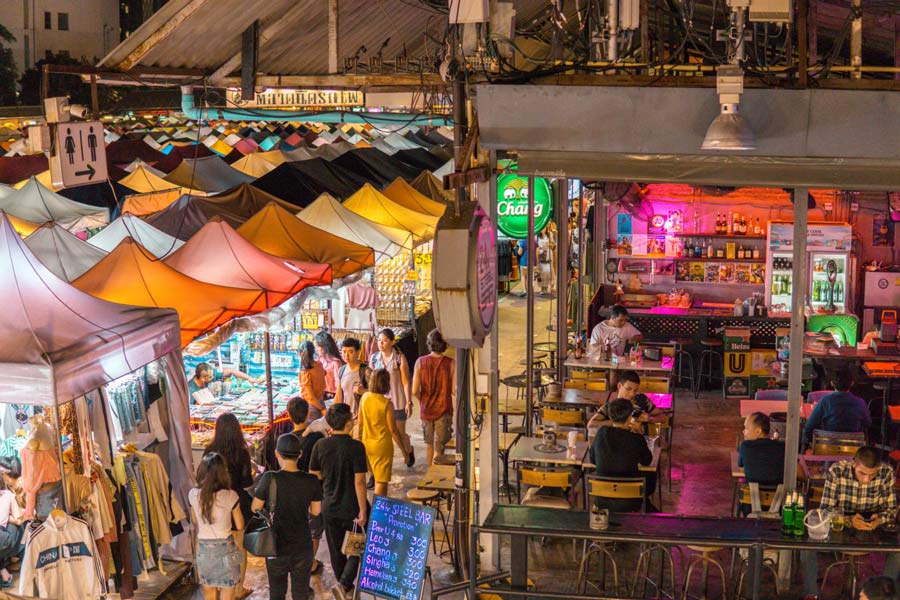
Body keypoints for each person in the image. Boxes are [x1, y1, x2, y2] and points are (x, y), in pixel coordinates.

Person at [800, 447, 898, 599]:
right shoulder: (837, 471)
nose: (866, 480)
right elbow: (825, 511)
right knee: (807, 547)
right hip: (840, 524)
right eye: (862, 473)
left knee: (897, 551)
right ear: (853, 464)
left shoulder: (886, 473)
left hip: (872, 527)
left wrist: (878, 520)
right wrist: (848, 520)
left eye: (872, 475)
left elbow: (891, 510)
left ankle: (881, 596)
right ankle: (811, 595)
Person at [252, 434, 322, 600]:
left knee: (276, 593)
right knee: (301, 593)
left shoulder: (270, 478)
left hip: (275, 546)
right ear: (300, 454)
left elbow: (255, 508)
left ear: (277, 453)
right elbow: (316, 511)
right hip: (302, 545)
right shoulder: (311, 480)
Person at [309, 404, 368, 600]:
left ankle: (344, 587)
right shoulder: (357, 447)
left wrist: (328, 476)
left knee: (336, 550)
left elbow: (314, 473)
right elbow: (359, 481)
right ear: (348, 422)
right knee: (356, 547)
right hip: (351, 506)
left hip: (330, 506)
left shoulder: (321, 445)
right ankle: (345, 585)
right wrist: (363, 510)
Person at [202, 414, 255, 600]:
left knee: (217, 544)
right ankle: (238, 588)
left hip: (215, 504)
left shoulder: (209, 450)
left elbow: (203, 478)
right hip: (238, 503)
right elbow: (248, 482)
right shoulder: (241, 452)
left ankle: (216, 587)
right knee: (239, 547)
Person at [189, 453, 245, 600]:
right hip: (226, 549)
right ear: (223, 473)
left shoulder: (193, 495)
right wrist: (239, 544)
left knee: (209, 594)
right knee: (227, 594)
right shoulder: (231, 495)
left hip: (204, 551)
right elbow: (240, 525)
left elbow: (195, 520)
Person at [589, 398, 655, 512]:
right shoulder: (635, 437)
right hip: (630, 500)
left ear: (610, 417)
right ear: (630, 417)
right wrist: (639, 433)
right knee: (651, 475)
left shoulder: (601, 433)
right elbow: (647, 461)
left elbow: (593, 460)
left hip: (602, 498)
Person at [285, 398, 325, 575]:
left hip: (292, 492)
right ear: (308, 413)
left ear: (288, 415)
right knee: (314, 530)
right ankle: (310, 562)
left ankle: (303, 562)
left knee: (299, 529)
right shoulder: (316, 437)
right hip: (314, 490)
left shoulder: (285, 440)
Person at [358, 368, 410, 497]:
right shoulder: (387, 404)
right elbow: (392, 430)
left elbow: (360, 424)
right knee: (381, 483)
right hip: (382, 447)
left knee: (375, 477)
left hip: (366, 444)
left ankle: (376, 512)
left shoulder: (364, 397)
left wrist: (359, 443)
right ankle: (379, 514)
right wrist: (404, 451)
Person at [369, 329, 415, 467]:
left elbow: (406, 381)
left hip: (397, 401)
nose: (380, 343)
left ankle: (407, 450)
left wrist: (408, 401)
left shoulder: (399, 358)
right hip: (380, 402)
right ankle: (401, 454)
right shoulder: (374, 359)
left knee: (400, 432)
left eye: (384, 340)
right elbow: (371, 380)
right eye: (379, 340)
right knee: (385, 432)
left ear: (392, 342)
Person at [412, 329, 455, 466]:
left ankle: (429, 476)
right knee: (439, 447)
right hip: (444, 410)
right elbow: (454, 390)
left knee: (429, 445)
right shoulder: (450, 363)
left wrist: (422, 400)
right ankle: (435, 478)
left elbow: (414, 390)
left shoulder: (420, 362)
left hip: (426, 410)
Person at [802, 369, 871, 448]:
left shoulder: (825, 401)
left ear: (832, 383)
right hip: (852, 449)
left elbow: (809, 427)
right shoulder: (860, 402)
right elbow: (868, 423)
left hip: (826, 448)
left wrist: (812, 443)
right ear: (852, 383)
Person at [587, 371, 662, 431]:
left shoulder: (642, 400)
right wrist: (617, 423)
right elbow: (590, 425)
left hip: (639, 443)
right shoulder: (611, 406)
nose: (632, 394)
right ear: (619, 386)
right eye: (628, 389)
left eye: (635, 390)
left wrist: (650, 419)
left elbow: (663, 417)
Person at [738, 412, 785, 485]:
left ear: (758, 431)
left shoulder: (745, 446)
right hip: (779, 494)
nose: (743, 431)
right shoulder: (782, 447)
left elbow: (741, 467)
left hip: (753, 494)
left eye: (746, 428)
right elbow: (797, 470)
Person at [333, 338, 368, 435]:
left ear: (358, 352)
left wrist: (364, 391)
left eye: (350, 352)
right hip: (345, 419)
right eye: (344, 352)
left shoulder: (365, 371)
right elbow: (339, 395)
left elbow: (376, 394)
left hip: (361, 419)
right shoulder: (341, 370)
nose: (346, 355)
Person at [189, 362, 258, 403]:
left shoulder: (210, 374)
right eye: (210, 377)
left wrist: (249, 378)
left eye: (213, 375)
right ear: (202, 379)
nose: (213, 377)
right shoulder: (190, 389)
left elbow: (232, 371)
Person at [0, 475, 22, 588]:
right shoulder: (9, 495)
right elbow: (19, 520)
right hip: (4, 539)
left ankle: (4, 571)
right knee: (19, 526)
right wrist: (8, 518)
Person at [297, 342, 327, 423]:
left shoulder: (305, 371)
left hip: (312, 406)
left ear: (300, 354)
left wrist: (322, 409)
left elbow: (310, 397)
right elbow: (324, 374)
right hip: (320, 401)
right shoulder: (319, 364)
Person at [314, 331, 343, 401]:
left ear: (324, 346)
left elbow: (339, 385)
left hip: (332, 396)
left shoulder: (335, 363)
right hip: (320, 395)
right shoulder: (320, 359)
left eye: (318, 346)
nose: (316, 349)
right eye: (315, 346)